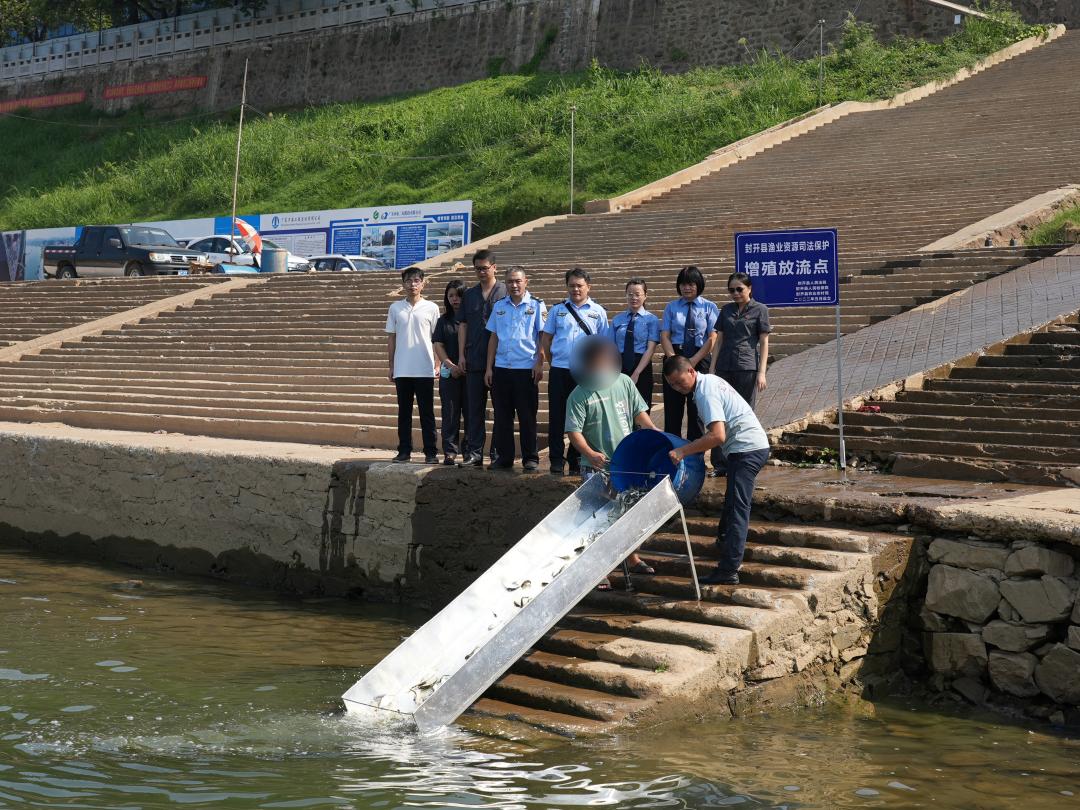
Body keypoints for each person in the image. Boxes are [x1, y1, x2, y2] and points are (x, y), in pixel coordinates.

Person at [662, 356, 771, 585]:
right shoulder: (709, 381)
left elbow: (717, 436)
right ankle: (724, 542)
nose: (678, 388)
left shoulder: (704, 392)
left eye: (680, 382)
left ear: (691, 371)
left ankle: (729, 569)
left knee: (738, 508)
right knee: (732, 501)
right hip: (747, 447)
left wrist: (683, 452)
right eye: (672, 385)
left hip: (747, 449)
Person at [566, 338, 659, 583]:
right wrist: (589, 453)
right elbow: (574, 432)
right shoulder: (578, 394)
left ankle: (632, 558)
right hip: (597, 467)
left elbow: (639, 412)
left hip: (626, 463)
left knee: (629, 512)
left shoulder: (624, 382)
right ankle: (600, 571)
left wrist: (652, 431)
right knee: (599, 516)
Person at [541, 268, 610, 476]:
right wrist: (554, 362)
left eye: (579, 285)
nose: (575, 289)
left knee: (583, 418)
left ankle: (576, 458)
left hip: (585, 373)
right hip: (560, 370)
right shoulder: (557, 310)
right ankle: (555, 459)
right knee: (557, 416)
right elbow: (546, 340)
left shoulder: (598, 311)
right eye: (571, 285)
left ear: (588, 287)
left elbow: (603, 344)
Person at [708, 271, 771, 474]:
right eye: (731, 290)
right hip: (724, 367)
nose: (735, 293)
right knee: (720, 414)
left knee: (743, 414)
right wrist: (712, 367)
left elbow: (764, 342)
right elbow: (719, 340)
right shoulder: (726, 310)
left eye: (739, 289)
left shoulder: (760, 310)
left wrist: (762, 372)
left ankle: (741, 460)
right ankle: (720, 463)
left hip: (747, 367)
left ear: (749, 289)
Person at [485, 267, 547, 471]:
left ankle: (531, 457)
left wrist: (540, 363)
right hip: (502, 368)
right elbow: (493, 337)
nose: (514, 285)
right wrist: (489, 368)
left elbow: (542, 337)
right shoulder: (499, 306)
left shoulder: (537, 305)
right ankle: (505, 457)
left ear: (525, 281)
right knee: (503, 417)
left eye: (518, 281)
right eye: (510, 281)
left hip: (525, 369)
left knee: (527, 415)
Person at [457, 249, 507, 467]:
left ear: (494, 267)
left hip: (502, 361)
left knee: (501, 410)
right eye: (477, 268)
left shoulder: (506, 292)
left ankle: (497, 453)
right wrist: (460, 354)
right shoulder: (469, 295)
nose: (481, 272)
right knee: (474, 410)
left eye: (485, 268)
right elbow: (463, 325)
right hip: (474, 359)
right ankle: (474, 453)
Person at [385, 266, 440, 464]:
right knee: (404, 413)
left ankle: (431, 452)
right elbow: (391, 338)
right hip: (402, 369)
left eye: (416, 280)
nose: (412, 284)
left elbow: (437, 339)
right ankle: (404, 451)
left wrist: (438, 363)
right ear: (403, 284)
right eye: (408, 281)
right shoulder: (395, 308)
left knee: (427, 413)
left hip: (425, 368)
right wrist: (391, 365)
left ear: (423, 283)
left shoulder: (432, 308)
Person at [660, 266, 719, 441]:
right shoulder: (671, 307)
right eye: (683, 284)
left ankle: (695, 456)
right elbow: (664, 335)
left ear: (699, 285)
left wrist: (692, 361)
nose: (687, 288)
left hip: (699, 358)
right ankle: (672, 452)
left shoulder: (709, 307)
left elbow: (712, 337)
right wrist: (674, 361)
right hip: (675, 357)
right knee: (672, 410)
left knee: (697, 410)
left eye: (691, 284)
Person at [611, 278, 660, 409]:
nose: (634, 297)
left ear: (645, 295)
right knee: (620, 407)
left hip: (642, 366)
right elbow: (610, 347)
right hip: (619, 366)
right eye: (630, 294)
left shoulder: (652, 320)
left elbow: (650, 349)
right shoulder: (617, 320)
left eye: (638, 294)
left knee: (642, 406)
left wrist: (637, 372)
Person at [433, 279, 467, 466]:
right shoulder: (443, 321)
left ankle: (470, 451)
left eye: (459, 295)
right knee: (450, 414)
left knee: (471, 414)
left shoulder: (473, 319)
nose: (455, 299)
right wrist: (451, 365)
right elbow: (438, 344)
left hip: (471, 373)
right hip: (450, 374)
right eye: (451, 295)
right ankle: (450, 452)